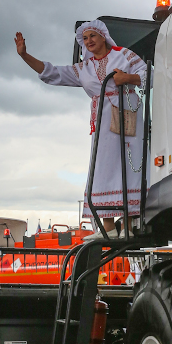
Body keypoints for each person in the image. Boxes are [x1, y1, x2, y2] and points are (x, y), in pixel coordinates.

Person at [15, 20, 148, 240]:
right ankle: (108, 227)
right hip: (103, 118)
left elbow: (149, 74)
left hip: (127, 112)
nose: (89, 41)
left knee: (129, 162)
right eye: (85, 39)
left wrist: (128, 78)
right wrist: (25, 56)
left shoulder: (123, 55)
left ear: (103, 36)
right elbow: (53, 72)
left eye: (92, 36)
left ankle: (129, 226)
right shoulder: (84, 68)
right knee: (103, 166)